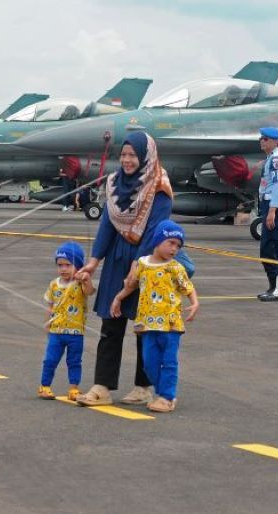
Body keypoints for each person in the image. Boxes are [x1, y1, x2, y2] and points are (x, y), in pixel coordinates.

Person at [74, 131, 186, 407]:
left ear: (145, 156)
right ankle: (102, 386)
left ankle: (144, 385)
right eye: (123, 155)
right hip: (116, 258)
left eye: (132, 155)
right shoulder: (114, 184)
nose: (126, 160)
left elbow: (154, 230)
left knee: (143, 326)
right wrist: (94, 261)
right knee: (110, 324)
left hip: (148, 262)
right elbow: (107, 224)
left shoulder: (159, 186)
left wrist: (138, 266)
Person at [110, 220, 199, 413]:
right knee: (149, 363)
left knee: (169, 362)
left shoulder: (176, 268)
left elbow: (188, 287)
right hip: (147, 325)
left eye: (178, 245)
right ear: (157, 241)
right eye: (171, 243)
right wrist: (118, 297)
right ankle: (162, 392)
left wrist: (194, 303)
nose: (174, 249)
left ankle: (167, 397)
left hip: (170, 324)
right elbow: (132, 285)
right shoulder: (143, 263)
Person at [38, 242, 95, 401]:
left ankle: (74, 388)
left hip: (75, 333)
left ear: (78, 265)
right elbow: (50, 306)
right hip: (56, 332)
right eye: (60, 265)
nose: (63, 269)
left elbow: (90, 292)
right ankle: (44, 386)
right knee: (50, 360)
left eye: (68, 265)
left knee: (74, 361)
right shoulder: (54, 285)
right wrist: (48, 322)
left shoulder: (80, 283)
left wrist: (86, 279)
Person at [257, 127, 278, 302]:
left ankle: (277, 289)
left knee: (271, 248)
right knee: (268, 248)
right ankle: (273, 287)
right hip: (270, 204)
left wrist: (272, 211)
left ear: (275, 142)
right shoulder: (271, 158)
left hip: (274, 206)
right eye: (261, 138)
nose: (262, 141)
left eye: (266, 139)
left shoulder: (277, 159)